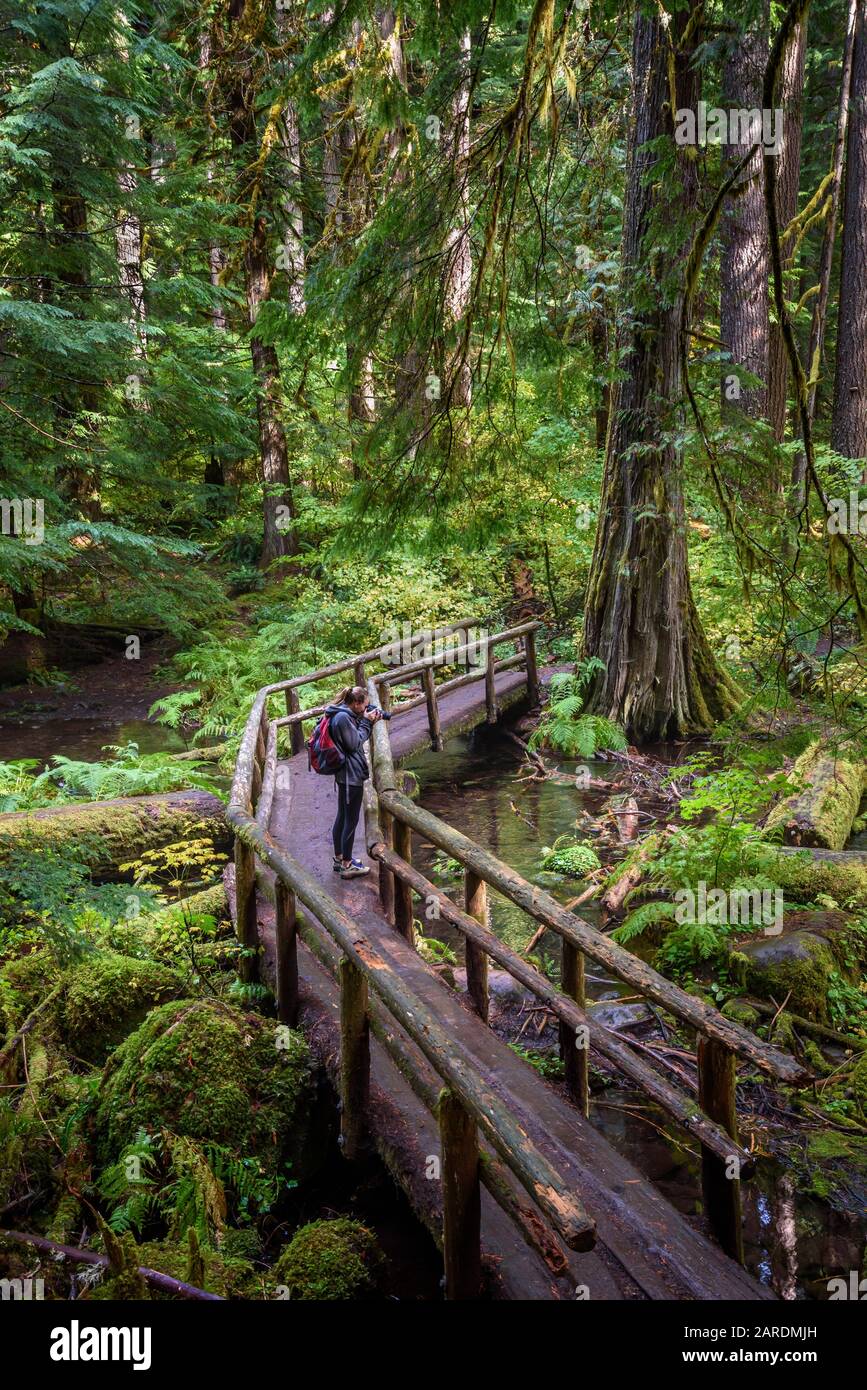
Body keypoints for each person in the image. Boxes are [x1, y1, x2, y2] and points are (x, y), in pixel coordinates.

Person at [324, 685, 382, 878]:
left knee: (342, 815)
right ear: (356, 703)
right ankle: (347, 864)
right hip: (351, 775)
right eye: (364, 705)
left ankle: (340, 858)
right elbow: (354, 743)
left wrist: (364, 719)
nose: (366, 709)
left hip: (345, 774)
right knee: (351, 819)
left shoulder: (341, 713)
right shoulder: (342, 718)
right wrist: (367, 723)